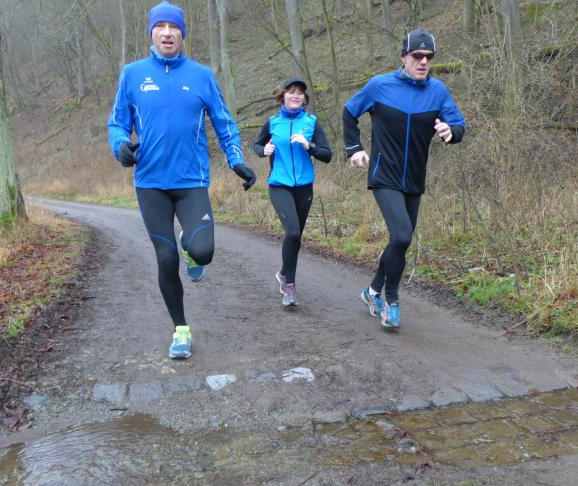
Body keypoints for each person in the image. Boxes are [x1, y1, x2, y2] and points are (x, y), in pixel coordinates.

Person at [107, 1, 257, 359]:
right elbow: (117, 123)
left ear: (182, 34)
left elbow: (224, 122)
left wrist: (236, 160)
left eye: (173, 27)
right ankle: (181, 330)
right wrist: (120, 146)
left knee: (203, 251)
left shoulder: (201, 75)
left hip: (191, 181)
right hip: (150, 183)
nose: (167, 33)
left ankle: (189, 247)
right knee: (165, 259)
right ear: (151, 33)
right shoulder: (132, 74)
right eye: (160, 27)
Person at [343, 28, 465, 329]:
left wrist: (451, 132)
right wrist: (354, 148)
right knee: (401, 236)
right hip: (383, 174)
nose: (423, 62)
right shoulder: (379, 86)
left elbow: (458, 125)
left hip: (414, 178)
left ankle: (372, 291)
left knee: (400, 242)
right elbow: (349, 112)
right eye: (417, 56)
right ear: (404, 57)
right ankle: (392, 300)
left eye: (429, 57)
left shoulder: (438, 91)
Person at [253, 77, 332, 306]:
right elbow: (257, 145)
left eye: (300, 93)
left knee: (295, 238)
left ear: (304, 98)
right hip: (279, 185)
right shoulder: (273, 122)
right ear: (283, 96)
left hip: (304, 188)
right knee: (293, 232)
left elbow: (327, 155)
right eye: (291, 92)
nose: (296, 96)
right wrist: (264, 150)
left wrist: (309, 146)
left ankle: (282, 273)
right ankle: (290, 286)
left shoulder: (311, 123)